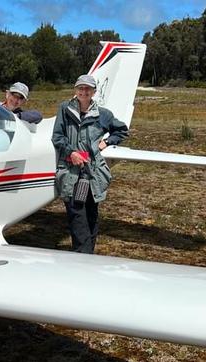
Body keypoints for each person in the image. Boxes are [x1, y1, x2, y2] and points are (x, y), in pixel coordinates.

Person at [51, 74, 129, 254]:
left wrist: (106, 142)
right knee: (77, 218)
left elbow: (122, 131)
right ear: (75, 90)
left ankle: (88, 257)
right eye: (80, 88)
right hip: (71, 173)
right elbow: (57, 137)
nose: (83, 92)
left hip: (93, 174)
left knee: (92, 217)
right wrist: (72, 152)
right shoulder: (65, 109)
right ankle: (83, 258)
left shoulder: (103, 114)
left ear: (94, 92)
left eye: (88, 89)